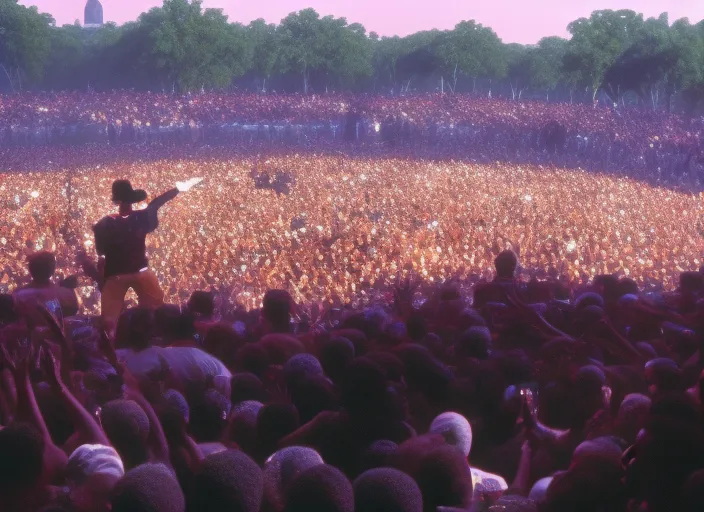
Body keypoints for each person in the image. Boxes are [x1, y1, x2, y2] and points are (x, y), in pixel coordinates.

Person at [92, 178, 202, 327]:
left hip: (115, 275)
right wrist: (177, 189)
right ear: (132, 200)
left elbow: (101, 250)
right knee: (156, 307)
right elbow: (156, 204)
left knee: (109, 318)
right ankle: (155, 333)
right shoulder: (140, 218)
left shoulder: (104, 223)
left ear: (117, 201)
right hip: (140, 271)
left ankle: (111, 338)